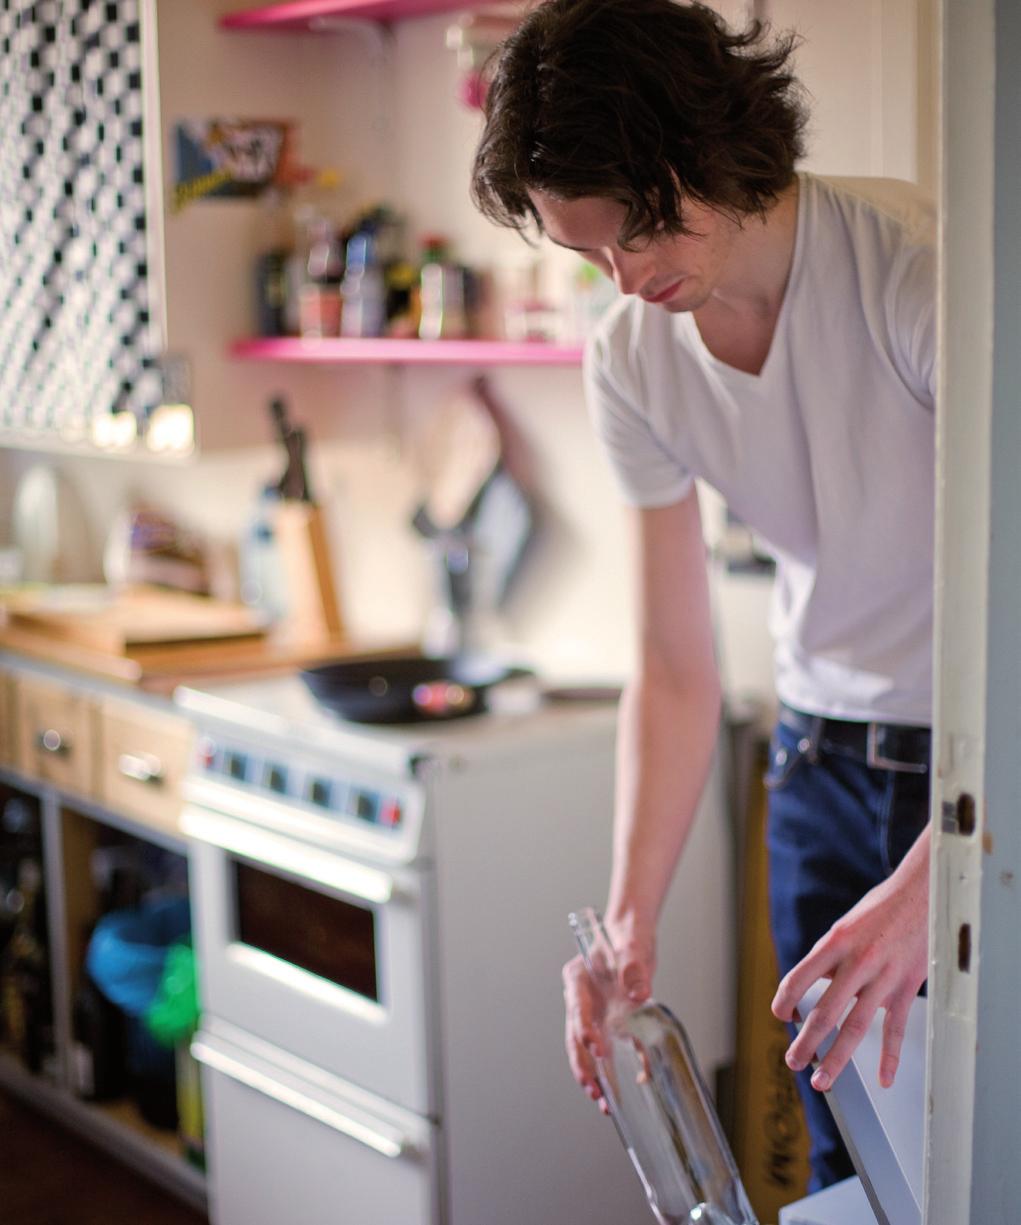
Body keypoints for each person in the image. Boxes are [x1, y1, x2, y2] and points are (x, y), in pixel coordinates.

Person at [470, 0, 935, 1194]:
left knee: (979, 1143)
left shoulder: (921, 277)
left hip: (976, 774)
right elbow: (673, 664)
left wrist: (955, 873)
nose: (624, 281)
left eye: (632, 231)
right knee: (851, 1161)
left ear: (706, 141)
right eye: (589, 258)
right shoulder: (632, 359)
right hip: (818, 768)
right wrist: (627, 922)